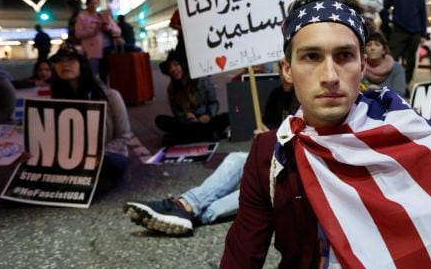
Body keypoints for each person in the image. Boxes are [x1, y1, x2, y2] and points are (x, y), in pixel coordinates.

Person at [123, 0, 431, 269]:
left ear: (362, 66)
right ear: (287, 70)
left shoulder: (409, 141)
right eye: (311, 57)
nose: (330, 76)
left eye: (344, 56)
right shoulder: (272, 151)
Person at [124, 78, 299, 236]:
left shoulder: (307, 100)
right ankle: (187, 206)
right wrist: (263, 137)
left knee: (258, 190)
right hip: (274, 157)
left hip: (295, 172)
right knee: (237, 158)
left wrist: (273, 140)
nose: (284, 71)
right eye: (281, 64)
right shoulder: (277, 94)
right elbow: (269, 130)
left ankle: (188, 212)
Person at [49, 45, 131, 194]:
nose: (65, 65)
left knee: (96, 181)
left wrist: (99, 155)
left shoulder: (111, 96)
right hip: (73, 161)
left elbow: (124, 135)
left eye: (71, 60)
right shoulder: (54, 102)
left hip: (108, 157)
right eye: (60, 61)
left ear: (82, 65)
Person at [154, 49, 229, 144]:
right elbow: (176, 112)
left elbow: (213, 102)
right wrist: (187, 115)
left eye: (176, 65)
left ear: (183, 65)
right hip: (187, 123)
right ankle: (208, 134)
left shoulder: (202, 79)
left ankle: (181, 138)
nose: (173, 69)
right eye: (170, 67)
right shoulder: (172, 88)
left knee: (227, 117)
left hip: (206, 119)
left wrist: (208, 115)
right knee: (160, 120)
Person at [380, 0, 427, 86]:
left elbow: (423, 14)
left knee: (411, 61)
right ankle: (390, 83)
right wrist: (387, 23)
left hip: (415, 33)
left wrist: (423, 34)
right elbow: (383, 7)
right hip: (399, 31)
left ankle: (405, 84)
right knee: (392, 58)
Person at [74, 0, 120, 81]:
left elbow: (117, 30)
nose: (94, 5)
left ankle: (106, 91)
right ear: (87, 4)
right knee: (93, 74)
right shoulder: (82, 17)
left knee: (107, 75)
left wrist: (108, 28)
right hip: (92, 51)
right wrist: (94, 30)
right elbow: (78, 34)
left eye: (96, 3)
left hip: (108, 49)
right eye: (91, 3)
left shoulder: (103, 16)